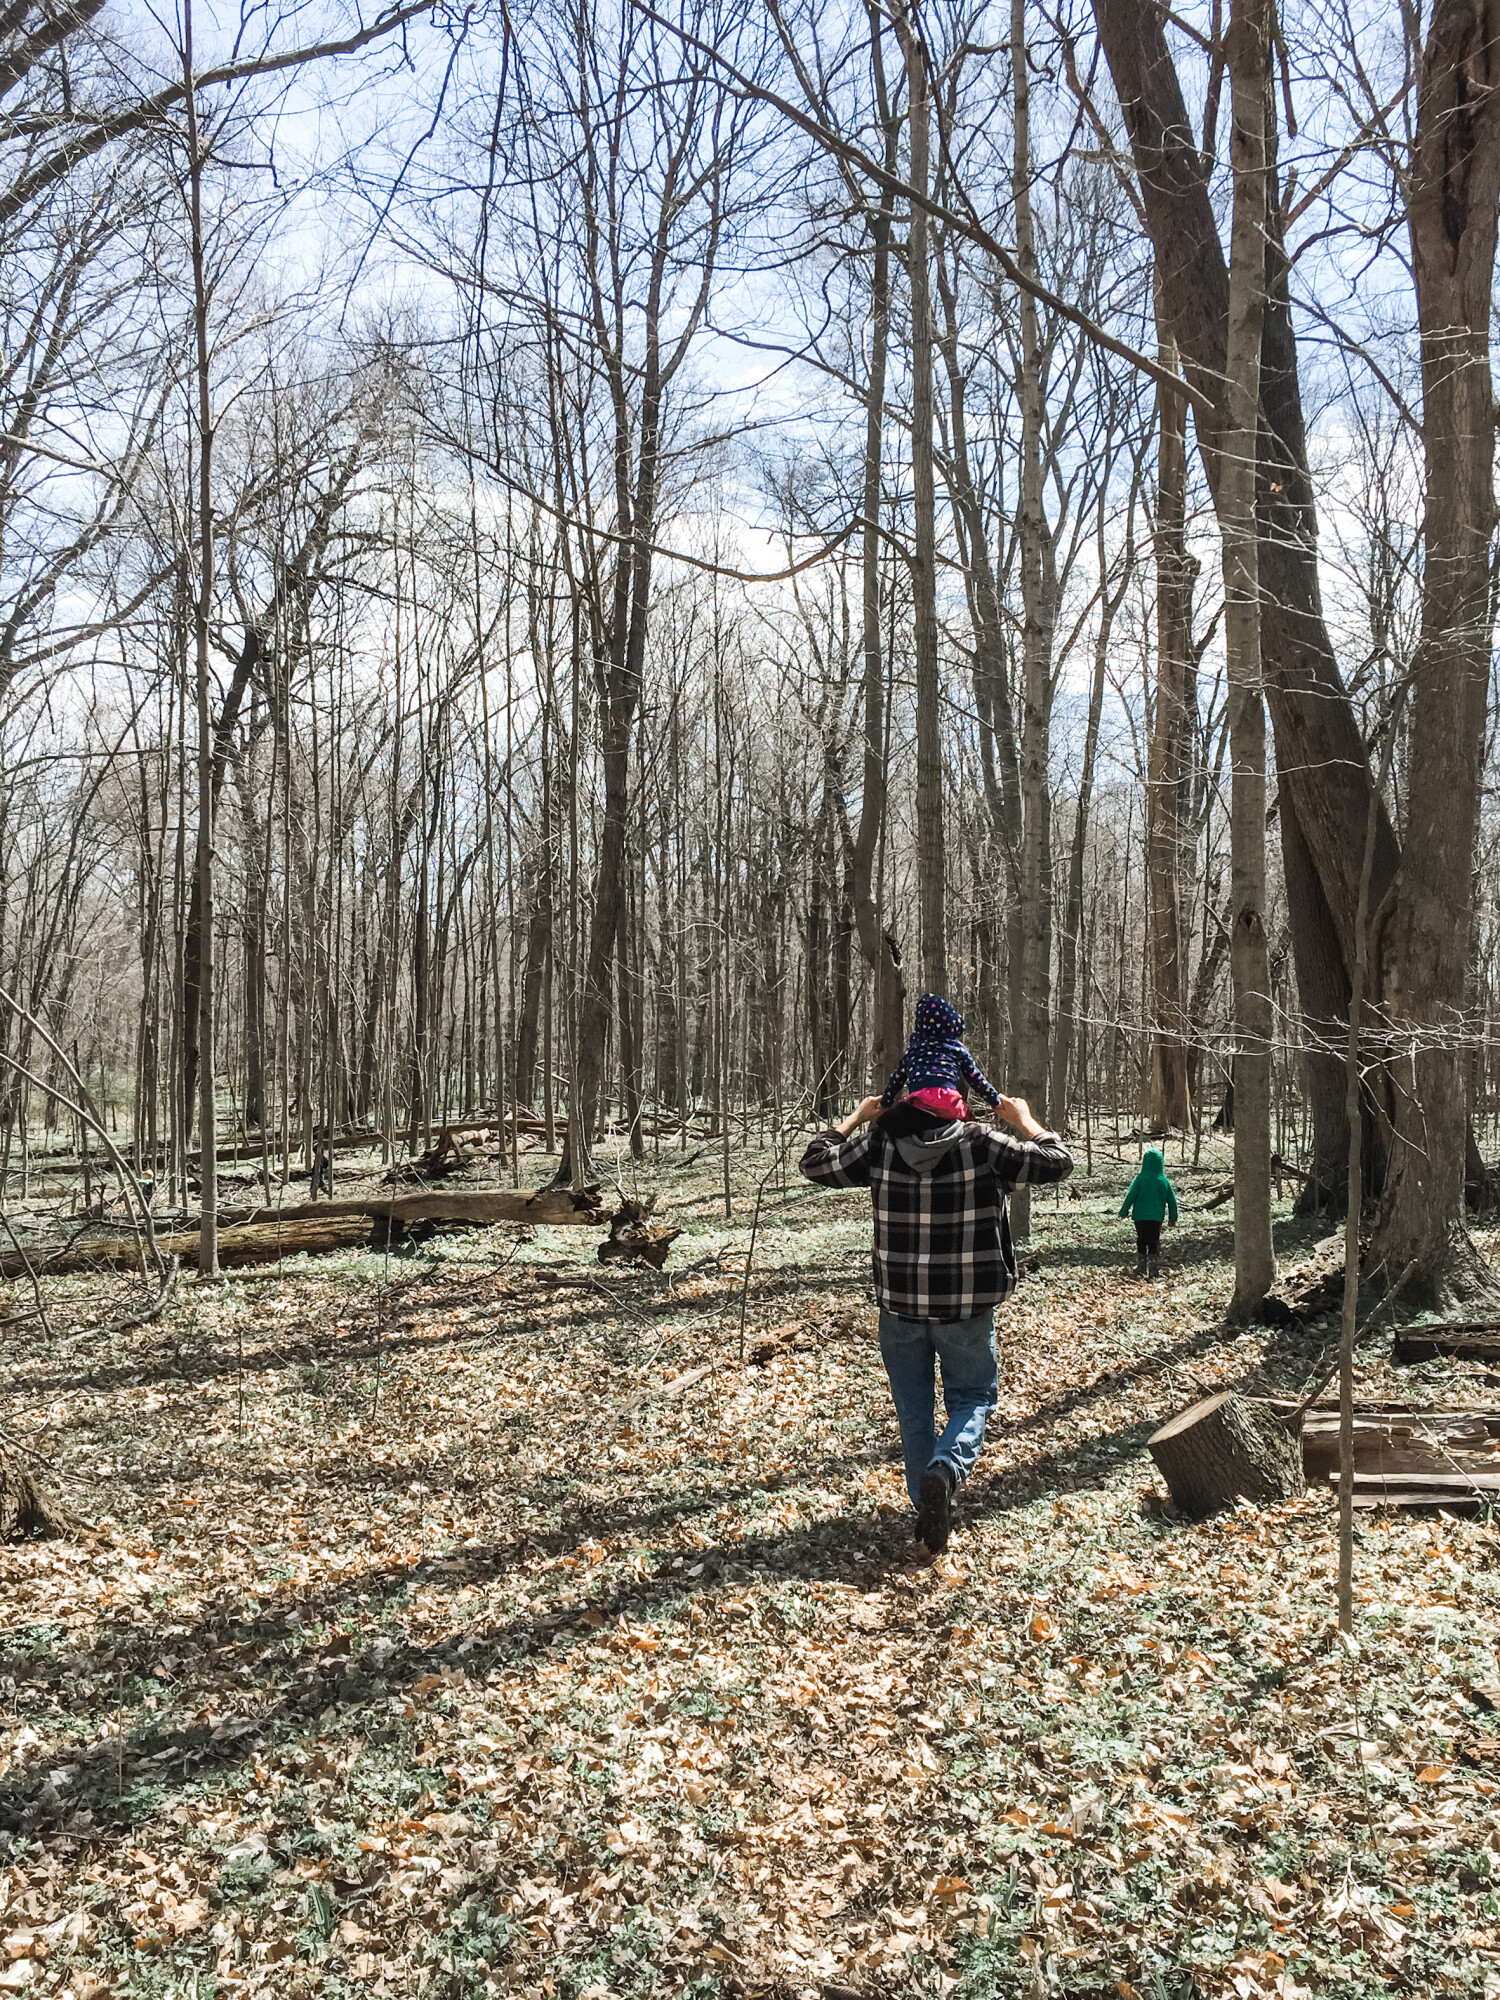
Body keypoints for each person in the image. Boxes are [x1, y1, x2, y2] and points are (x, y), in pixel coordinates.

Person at [799, 1086, 1072, 1553]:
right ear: (961, 1099)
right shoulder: (983, 1142)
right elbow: (1058, 1160)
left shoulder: (880, 1143)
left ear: (910, 1099)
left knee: (913, 1409)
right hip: (964, 1308)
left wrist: (857, 1117)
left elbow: (815, 1161)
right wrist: (1025, 1119)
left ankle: (925, 1507)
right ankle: (943, 1472)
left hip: (899, 1307)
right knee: (974, 1395)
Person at [879, 991, 1002, 1122]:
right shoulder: (956, 1048)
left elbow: (896, 1079)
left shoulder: (913, 1050)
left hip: (917, 1106)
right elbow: (975, 1078)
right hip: (950, 1104)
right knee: (971, 1124)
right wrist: (995, 1101)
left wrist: (884, 1103)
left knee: (892, 1121)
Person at [1118, 1146, 1178, 1278]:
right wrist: (1173, 1218)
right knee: (1154, 1241)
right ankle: (1153, 1269)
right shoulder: (1163, 1181)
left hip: (1140, 1217)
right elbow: (1172, 1201)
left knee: (1141, 1239)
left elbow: (1130, 1195)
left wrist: (1123, 1211)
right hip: (1156, 1218)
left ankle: (1141, 1266)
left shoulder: (1140, 1179)